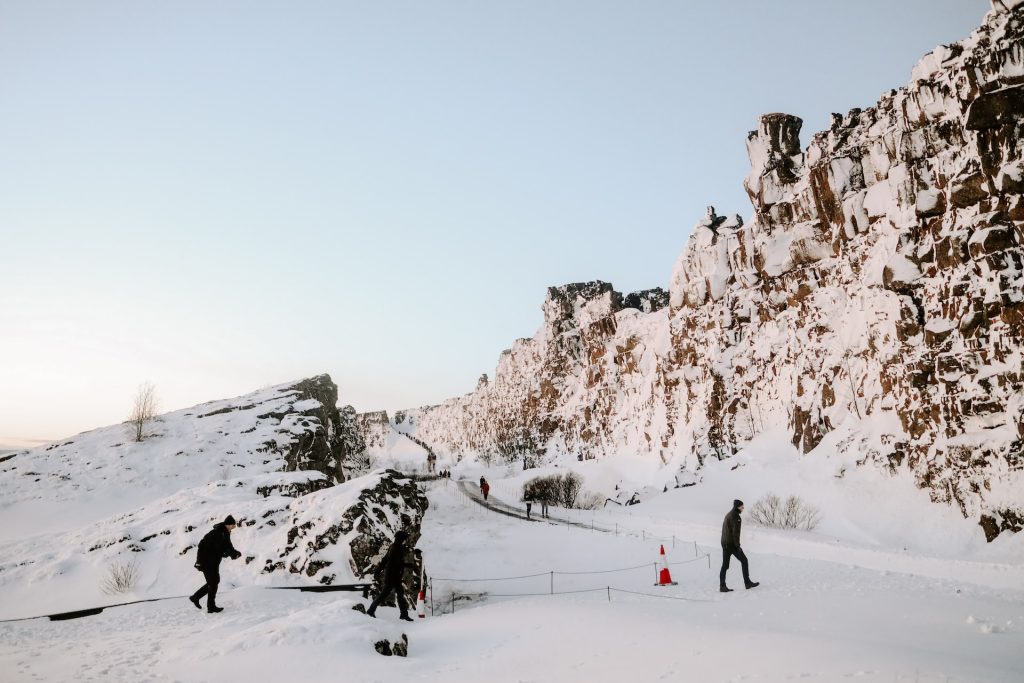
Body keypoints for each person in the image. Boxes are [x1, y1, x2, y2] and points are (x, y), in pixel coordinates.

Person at [190, 515, 242, 613]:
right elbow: (202, 546)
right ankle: (209, 606)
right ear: (228, 524)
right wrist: (199, 562)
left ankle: (197, 598)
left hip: (214, 562)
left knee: (214, 582)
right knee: (213, 583)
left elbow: (228, 546)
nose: (234, 527)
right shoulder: (216, 533)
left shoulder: (225, 533)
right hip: (206, 562)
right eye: (233, 525)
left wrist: (234, 553)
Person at [367, 530, 416, 621]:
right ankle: (370, 610)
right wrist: (407, 565)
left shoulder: (394, 547)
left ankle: (404, 614)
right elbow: (395, 563)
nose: (405, 540)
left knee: (399, 594)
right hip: (392, 576)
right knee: (385, 594)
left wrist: (378, 571)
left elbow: (385, 560)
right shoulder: (396, 548)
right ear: (401, 538)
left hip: (393, 575)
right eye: (405, 538)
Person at [720, 499, 759, 592]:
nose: (743, 508)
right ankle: (747, 583)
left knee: (725, 565)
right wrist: (738, 546)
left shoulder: (729, 514)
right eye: (742, 507)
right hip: (731, 545)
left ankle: (722, 586)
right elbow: (735, 534)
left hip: (725, 543)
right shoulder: (736, 517)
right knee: (744, 561)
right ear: (738, 507)